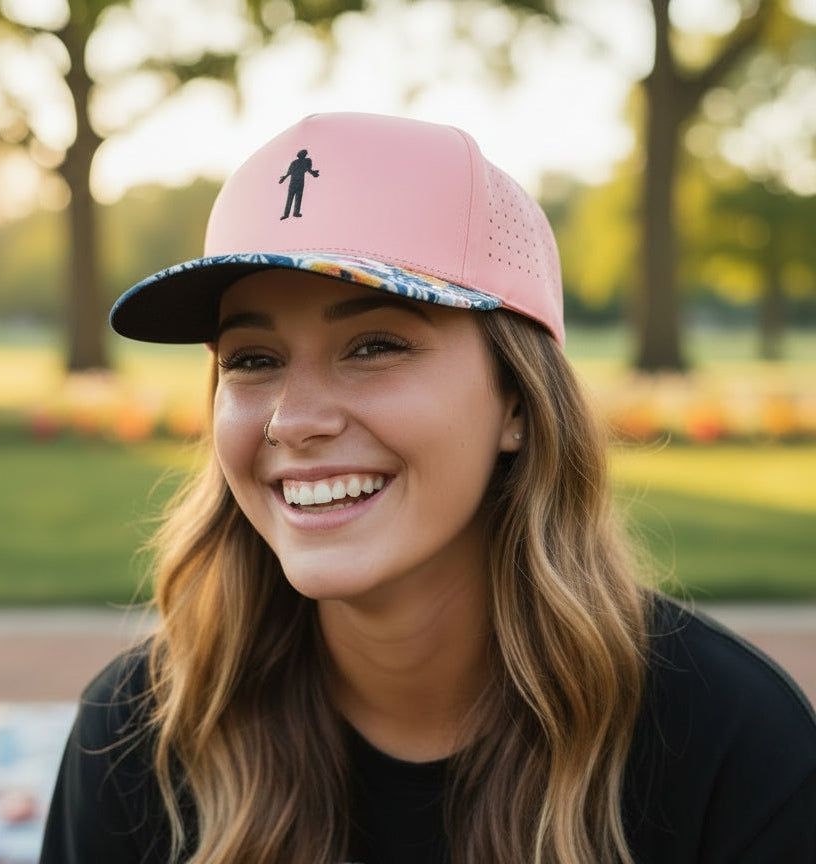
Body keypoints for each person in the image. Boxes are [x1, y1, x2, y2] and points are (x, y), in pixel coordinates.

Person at [40, 112, 816, 864]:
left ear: (517, 402)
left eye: (374, 346)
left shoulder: (733, 746)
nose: (294, 420)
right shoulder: (138, 736)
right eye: (252, 359)